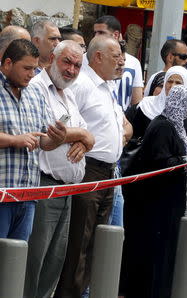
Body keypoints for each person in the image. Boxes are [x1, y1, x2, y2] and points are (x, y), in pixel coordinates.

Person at [54, 36, 131, 298]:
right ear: (97, 57)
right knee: (79, 244)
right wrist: (82, 139)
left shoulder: (106, 87)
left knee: (97, 245)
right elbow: (62, 121)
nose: (120, 60)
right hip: (89, 171)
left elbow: (122, 123)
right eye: (115, 56)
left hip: (109, 173)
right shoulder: (83, 84)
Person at [24, 40, 95, 298]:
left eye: (77, 65)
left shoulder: (69, 94)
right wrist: (82, 135)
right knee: (34, 264)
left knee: (54, 265)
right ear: (52, 57)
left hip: (67, 190)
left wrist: (84, 137)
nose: (72, 70)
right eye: (67, 62)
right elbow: (49, 133)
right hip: (44, 187)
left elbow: (86, 135)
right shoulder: (37, 87)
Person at [120, 85, 187, 297]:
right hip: (158, 202)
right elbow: (160, 163)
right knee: (157, 251)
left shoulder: (174, 126)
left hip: (169, 200)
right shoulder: (163, 127)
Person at [0, 39, 67, 241]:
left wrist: (57, 138)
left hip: (28, 196)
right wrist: (15, 140)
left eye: (35, 69)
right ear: (8, 63)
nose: (32, 74)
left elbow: (42, 141)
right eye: (27, 68)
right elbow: (22, 140)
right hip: (3, 194)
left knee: (16, 263)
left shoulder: (35, 93)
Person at [91, 15, 144, 108]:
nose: (96, 36)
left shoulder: (134, 63)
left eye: (101, 32)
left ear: (115, 35)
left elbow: (137, 102)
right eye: (95, 32)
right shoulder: (85, 59)